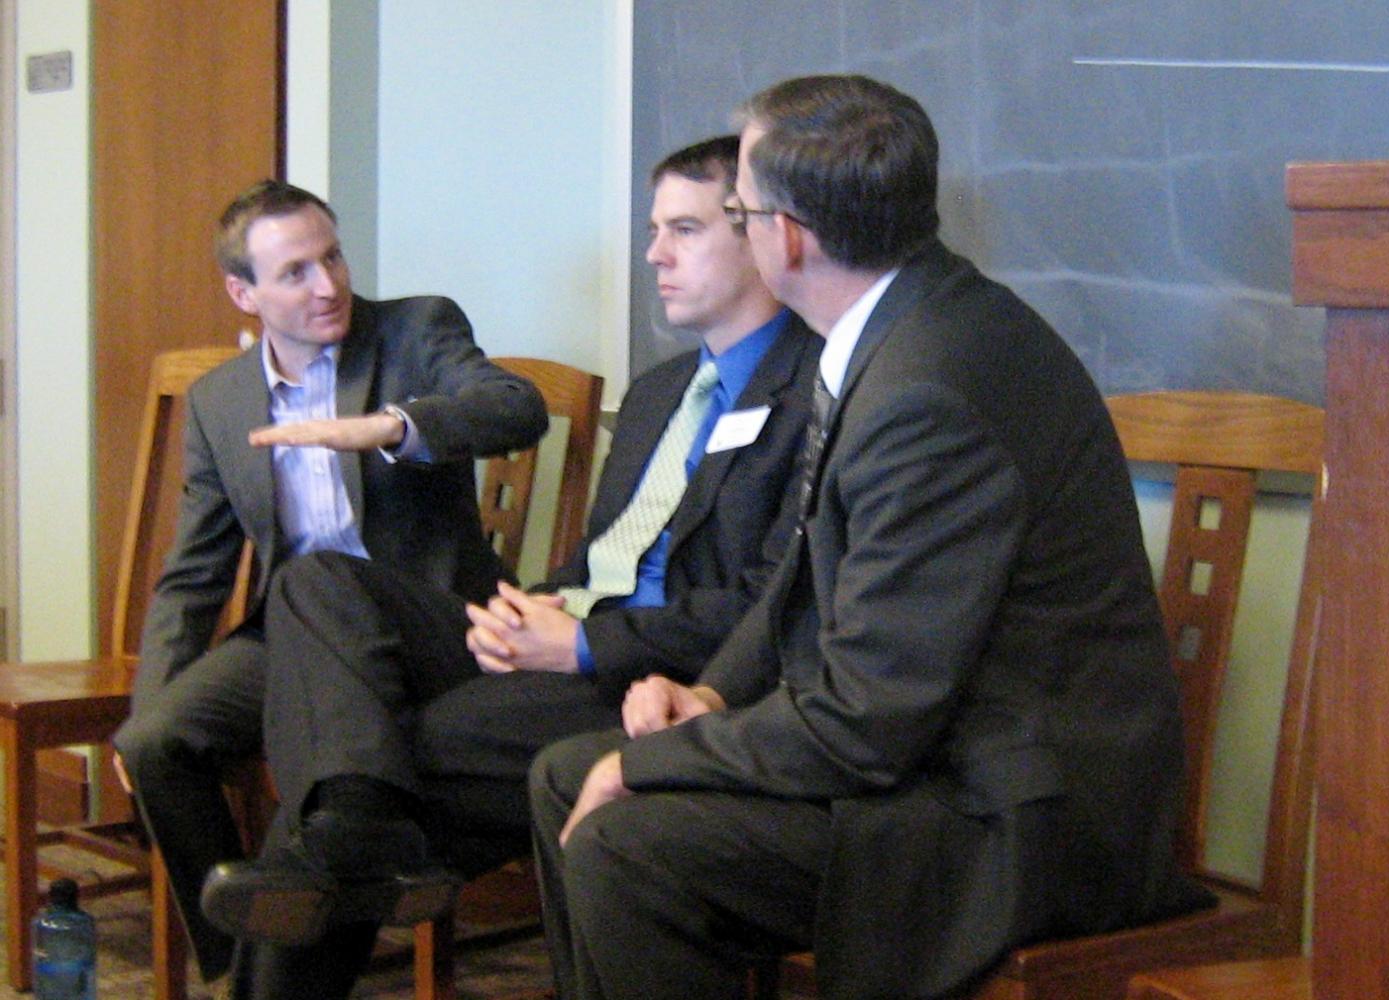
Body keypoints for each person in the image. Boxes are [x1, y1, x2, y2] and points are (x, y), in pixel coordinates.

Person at [529, 75, 1210, 1000]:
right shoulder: (897, 328)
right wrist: (711, 693)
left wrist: (654, 759)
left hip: (1007, 814)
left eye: (739, 210)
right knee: (568, 773)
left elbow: (869, 721)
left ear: (790, 237)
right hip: (932, 756)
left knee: (629, 843)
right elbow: (798, 585)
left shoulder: (929, 389)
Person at [198, 136, 821, 999]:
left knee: (379, 764)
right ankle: (354, 826)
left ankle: (348, 835)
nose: (653, 254)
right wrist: (527, 610)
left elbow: (777, 608)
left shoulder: (819, 391)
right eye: (653, 229)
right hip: (557, 626)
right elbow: (605, 555)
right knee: (317, 587)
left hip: (652, 674)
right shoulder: (659, 391)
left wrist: (583, 644)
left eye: (683, 229)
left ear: (755, 234)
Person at [110, 179, 549, 990]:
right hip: (299, 629)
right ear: (244, 293)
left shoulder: (417, 329)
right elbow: (196, 574)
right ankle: (245, 960)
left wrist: (395, 427)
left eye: (334, 257)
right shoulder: (220, 400)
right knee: (153, 743)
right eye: (296, 273)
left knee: (320, 627)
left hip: (430, 621)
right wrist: (150, 694)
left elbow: (514, 408)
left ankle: (293, 947)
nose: (328, 285)